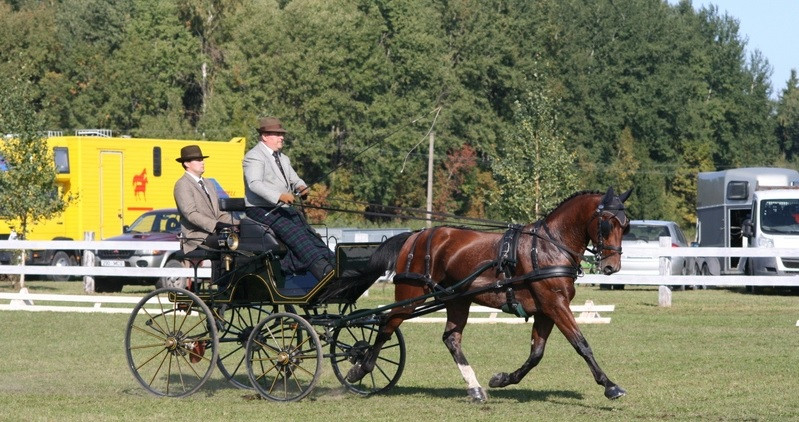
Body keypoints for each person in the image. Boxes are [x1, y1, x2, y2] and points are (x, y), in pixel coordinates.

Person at [243, 116, 335, 280]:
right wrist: (279, 196)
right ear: (265, 136)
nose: (282, 137)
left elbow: (294, 179)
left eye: (281, 134)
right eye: (277, 134)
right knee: (295, 234)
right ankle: (324, 273)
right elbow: (254, 184)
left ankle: (334, 264)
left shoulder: (283, 158)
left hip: (281, 209)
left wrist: (301, 186)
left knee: (308, 232)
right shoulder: (254, 156)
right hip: (260, 209)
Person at [173, 145, 237, 253]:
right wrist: (215, 225)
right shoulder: (182, 184)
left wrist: (239, 223)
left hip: (214, 233)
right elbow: (191, 214)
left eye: (202, 160)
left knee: (246, 238)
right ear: (186, 163)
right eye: (198, 160)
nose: (202, 162)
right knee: (231, 243)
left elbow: (219, 213)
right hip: (196, 237)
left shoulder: (209, 183)